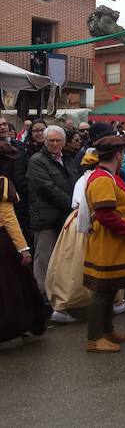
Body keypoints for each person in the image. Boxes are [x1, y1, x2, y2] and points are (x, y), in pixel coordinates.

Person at [82, 136, 125, 353]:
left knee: (111, 288)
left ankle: (107, 330)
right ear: (118, 155)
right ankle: (94, 338)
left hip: (114, 243)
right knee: (102, 290)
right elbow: (106, 216)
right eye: (122, 153)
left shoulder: (109, 176)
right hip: (108, 244)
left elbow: (118, 211)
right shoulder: (103, 178)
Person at [0, 142, 49, 348]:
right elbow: (8, 218)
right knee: (11, 287)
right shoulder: (1, 183)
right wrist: (23, 248)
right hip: (2, 244)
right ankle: (9, 329)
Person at [27, 125, 79, 298]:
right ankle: (43, 297)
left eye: (58, 140)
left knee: (63, 260)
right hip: (46, 218)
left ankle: (60, 296)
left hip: (65, 217)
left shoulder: (69, 159)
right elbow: (47, 188)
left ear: (64, 142)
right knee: (44, 259)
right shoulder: (37, 160)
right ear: (44, 141)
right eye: (51, 141)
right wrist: (72, 204)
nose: (55, 144)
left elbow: (75, 182)